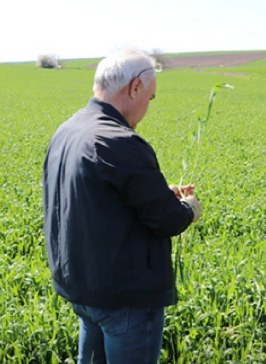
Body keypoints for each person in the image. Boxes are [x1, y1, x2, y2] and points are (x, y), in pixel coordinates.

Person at [43, 49, 202, 364]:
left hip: (83, 288)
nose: (147, 106)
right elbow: (166, 220)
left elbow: (97, 196)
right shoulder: (120, 141)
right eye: (151, 97)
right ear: (135, 88)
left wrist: (159, 192)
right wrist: (189, 209)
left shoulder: (69, 129)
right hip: (123, 296)